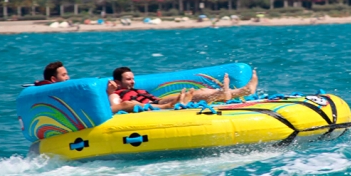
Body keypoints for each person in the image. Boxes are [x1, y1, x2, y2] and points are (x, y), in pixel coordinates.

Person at [107, 66, 259, 114]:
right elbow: (115, 107)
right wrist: (110, 92)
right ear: (118, 81)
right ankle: (171, 104)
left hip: (156, 101)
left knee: (198, 93)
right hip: (152, 106)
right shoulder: (116, 93)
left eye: (133, 78)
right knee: (131, 103)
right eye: (128, 79)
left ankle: (243, 91)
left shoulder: (137, 89)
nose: (132, 81)